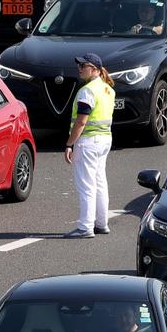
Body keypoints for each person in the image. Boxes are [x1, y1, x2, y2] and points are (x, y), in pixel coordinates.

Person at [64, 52, 115, 238]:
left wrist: (70, 144)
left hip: (88, 141)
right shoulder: (107, 89)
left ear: (93, 69)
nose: (79, 69)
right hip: (104, 140)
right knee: (100, 182)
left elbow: (81, 122)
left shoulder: (87, 91)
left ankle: (85, 227)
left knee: (86, 185)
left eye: (82, 66)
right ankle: (101, 223)